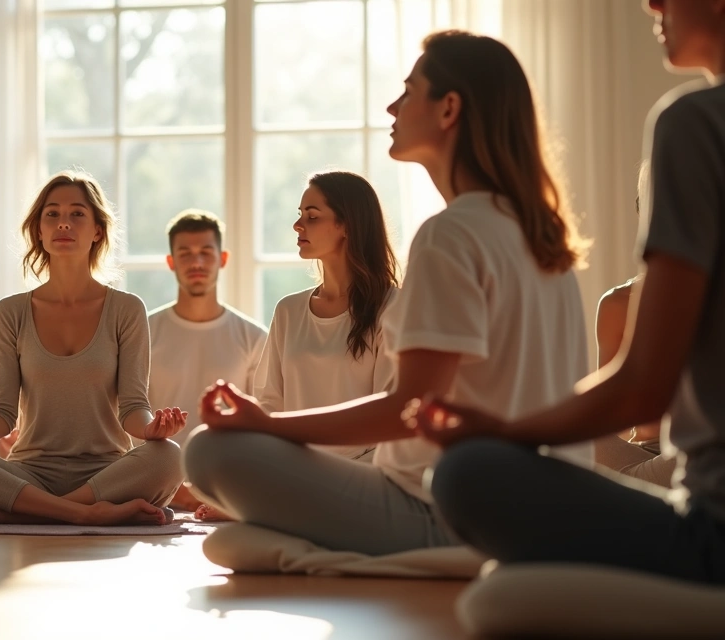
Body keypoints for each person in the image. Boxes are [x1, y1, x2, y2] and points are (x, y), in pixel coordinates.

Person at [185, 30, 592, 556]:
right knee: (233, 530)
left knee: (208, 453)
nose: (391, 105)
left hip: (438, 506)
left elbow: (408, 406)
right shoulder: (541, 233)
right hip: (529, 502)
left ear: (449, 109)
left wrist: (265, 424)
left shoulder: (453, 233)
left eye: (408, 90)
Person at [412, 0, 725, 584]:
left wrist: (498, 430)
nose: (650, 3)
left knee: (465, 473)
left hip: (713, 531)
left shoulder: (694, 122)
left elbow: (642, 390)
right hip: (666, 479)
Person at [0, 171, 186, 526]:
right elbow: (1, 413)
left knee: (169, 457)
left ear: (97, 231)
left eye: (77, 214)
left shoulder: (126, 309)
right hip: (30, 474)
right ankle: (84, 515)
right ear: (39, 232)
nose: (63, 223)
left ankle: (21, 513)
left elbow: (134, 408)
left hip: (105, 474)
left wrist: (153, 430)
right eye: (52, 215)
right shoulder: (10, 312)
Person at [193, 170, 401, 522]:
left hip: (362, 474)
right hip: (294, 469)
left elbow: (387, 424)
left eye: (312, 216)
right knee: (202, 450)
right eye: (300, 214)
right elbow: (270, 405)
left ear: (347, 225)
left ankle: (281, 511)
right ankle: (278, 509)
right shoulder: (288, 310)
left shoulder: (392, 307)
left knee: (239, 542)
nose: (297, 225)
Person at [145, 209, 266, 512]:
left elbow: (263, 426)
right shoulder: (142, 333)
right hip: (152, 488)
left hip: (228, 490)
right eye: (185, 254)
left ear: (222, 259)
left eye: (205, 253)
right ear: (171, 262)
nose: (196, 263)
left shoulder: (254, 337)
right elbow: (123, 422)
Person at [591, 165, 675, 487]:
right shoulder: (616, 304)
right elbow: (612, 418)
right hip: (644, 457)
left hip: (695, 453)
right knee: (577, 444)